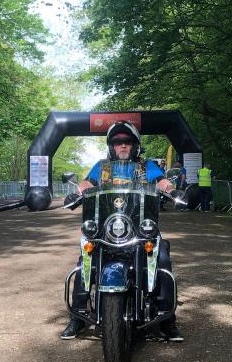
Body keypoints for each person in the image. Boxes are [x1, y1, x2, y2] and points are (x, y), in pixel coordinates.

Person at [61, 121, 184, 342]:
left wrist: (172, 190)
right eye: (118, 142)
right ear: (111, 146)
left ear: (135, 145)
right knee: (84, 260)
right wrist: (76, 193)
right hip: (107, 229)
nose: (123, 146)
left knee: (162, 258)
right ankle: (77, 317)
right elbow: (88, 183)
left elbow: (161, 181)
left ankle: (167, 319)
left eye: (127, 142)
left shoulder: (146, 167)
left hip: (140, 230)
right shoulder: (103, 167)